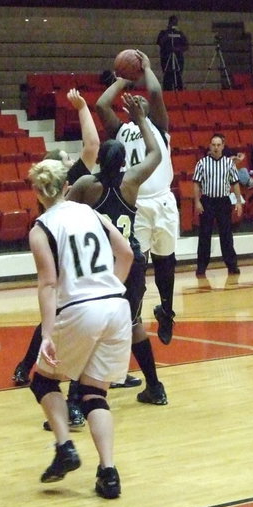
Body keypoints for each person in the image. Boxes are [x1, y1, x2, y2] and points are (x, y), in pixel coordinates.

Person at [27, 158, 133, 499]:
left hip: (80, 308)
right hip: (117, 305)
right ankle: (109, 472)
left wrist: (46, 334)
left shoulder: (41, 228)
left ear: (37, 193)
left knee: (43, 380)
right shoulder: (91, 213)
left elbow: (48, 284)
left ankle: (65, 447)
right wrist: (108, 288)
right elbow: (127, 254)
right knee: (94, 393)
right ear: (67, 187)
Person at [68, 93, 168, 406]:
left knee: (88, 327)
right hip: (132, 263)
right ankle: (155, 387)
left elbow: (63, 217)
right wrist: (141, 119)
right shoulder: (132, 182)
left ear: (99, 160)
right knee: (134, 322)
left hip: (100, 267)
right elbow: (156, 154)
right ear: (124, 162)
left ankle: (74, 402)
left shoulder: (86, 185)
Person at [96, 50, 179, 347]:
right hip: (135, 207)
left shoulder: (157, 126)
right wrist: (122, 79)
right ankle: (136, 316)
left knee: (166, 261)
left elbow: (155, 91)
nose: (141, 99)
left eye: (143, 101)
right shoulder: (119, 130)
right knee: (138, 265)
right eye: (137, 99)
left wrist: (145, 68)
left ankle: (167, 310)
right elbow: (101, 104)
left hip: (164, 201)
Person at [193, 133, 244, 277]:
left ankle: (232, 265)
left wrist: (238, 202)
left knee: (226, 235)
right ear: (210, 146)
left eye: (218, 145)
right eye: (213, 145)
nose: (216, 147)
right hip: (207, 201)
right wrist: (197, 201)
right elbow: (196, 183)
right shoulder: (202, 163)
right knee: (204, 235)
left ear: (223, 146)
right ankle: (201, 267)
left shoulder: (229, 164)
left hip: (223, 201)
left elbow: (235, 183)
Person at [156, 15, 188, 91]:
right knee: (167, 79)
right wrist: (169, 32)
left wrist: (177, 49)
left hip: (178, 59)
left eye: (176, 23)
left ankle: (179, 94)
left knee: (178, 77)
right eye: (173, 23)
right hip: (167, 59)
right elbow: (160, 42)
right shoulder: (163, 33)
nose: (175, 25)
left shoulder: (180, 34)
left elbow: (186, 46)